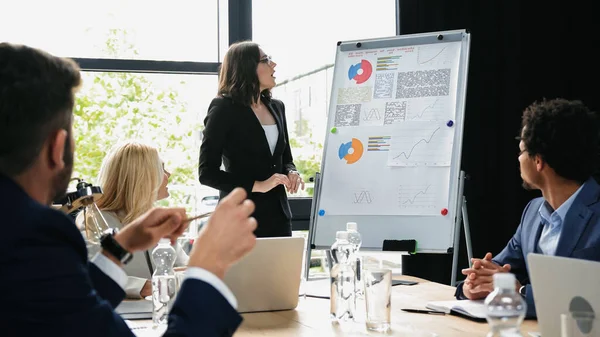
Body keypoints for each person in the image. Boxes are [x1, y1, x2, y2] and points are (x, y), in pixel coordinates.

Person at [0, 42, 257, 336]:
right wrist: (210, 266)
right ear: (57, 148)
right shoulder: (35, 236)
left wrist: (118, 249)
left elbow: (61, 310)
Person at [455, 98, 600, 318]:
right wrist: (472, 283)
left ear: (538, 161)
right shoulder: (533, 212)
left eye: (522, 150)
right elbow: (499, 267)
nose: (518, 158)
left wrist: (519, 291)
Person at [198, 40, 305, 238]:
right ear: (246, 68)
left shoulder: (277, 107)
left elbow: (285, 158)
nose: (273, 65)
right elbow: (207, 173)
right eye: (266, 60)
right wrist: (258, 185)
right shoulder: (223, 108)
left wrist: (292, 172)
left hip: (279, 219)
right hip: (240, 219)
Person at [76, 141, 188, 299]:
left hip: (158, 313)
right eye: (162, 168)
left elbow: (186, 269)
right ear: (143, 176)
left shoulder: (158, 221)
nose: (168, 174)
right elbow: (92, 275)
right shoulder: (96, 220)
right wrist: (142, 287)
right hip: (123, 315)